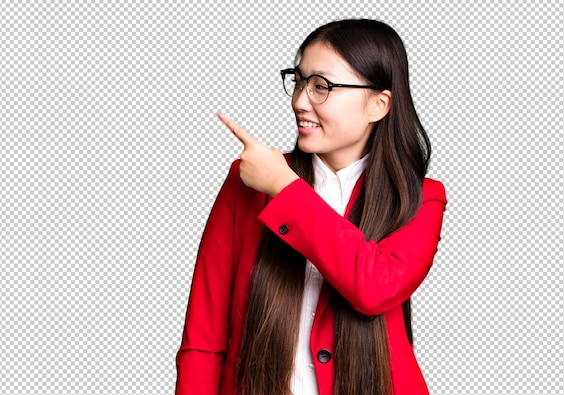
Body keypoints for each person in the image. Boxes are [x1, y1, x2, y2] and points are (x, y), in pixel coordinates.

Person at [175, 19, 447, 395]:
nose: (300, 100)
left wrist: (285, 188)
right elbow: (203, 338)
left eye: (322, 86)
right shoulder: (247, 181)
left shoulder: (421, 198)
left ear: (378, 105)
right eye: (299, 81)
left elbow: (374, 288)